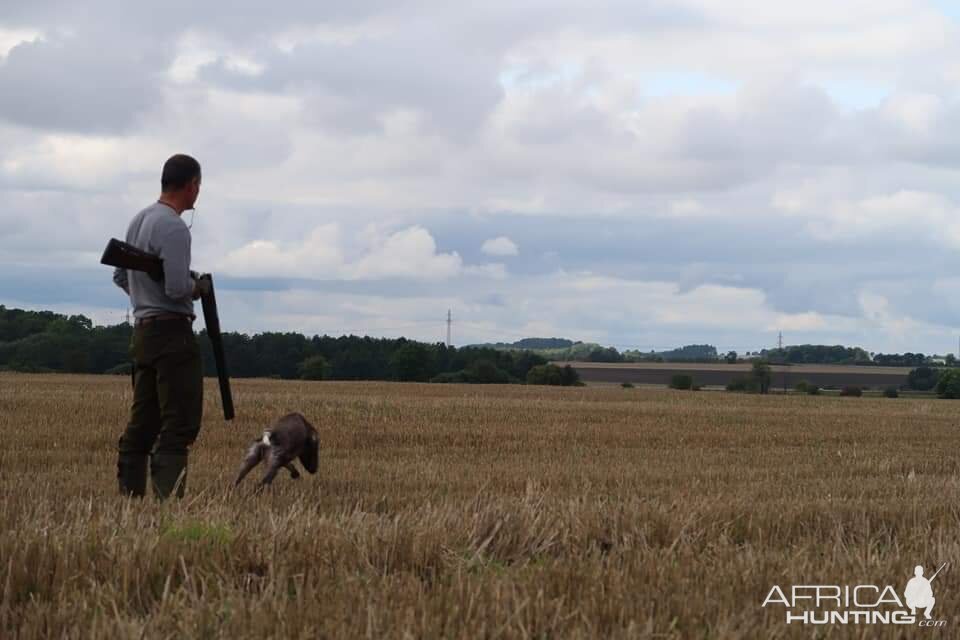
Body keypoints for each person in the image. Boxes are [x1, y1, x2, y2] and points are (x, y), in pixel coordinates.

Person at [112, 154, 209, 499]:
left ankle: (131, 507)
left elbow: (121, 275)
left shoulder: (140, 220)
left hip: (143, 333)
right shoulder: (173, 227)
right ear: (192, 185)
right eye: (199, 186)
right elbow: (177, 288)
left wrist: (143, 294)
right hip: (172, 335)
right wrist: (198, 287)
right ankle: (169, 512)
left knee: (142, 425)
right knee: (178, 424)